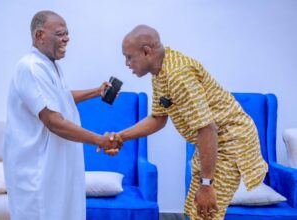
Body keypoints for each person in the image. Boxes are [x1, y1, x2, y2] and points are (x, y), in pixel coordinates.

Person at [107, 25, 268, 219]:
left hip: (230, 142)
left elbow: (208, 129)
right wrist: (121, 136)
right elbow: (158, 119)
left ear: (147, 51)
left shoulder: (178, 75)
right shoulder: (160, 72)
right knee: (194, 209)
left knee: (207, 212)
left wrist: (207, 185)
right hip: (211, 141)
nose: (126, 63)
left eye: (129, 57)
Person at [3, 10, 122, 220]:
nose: (67, 38)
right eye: (60, 34)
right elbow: (53, 121)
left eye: (67, 33)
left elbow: (60, 97)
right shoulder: (31, 67)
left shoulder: (50, 65)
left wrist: (96, 91)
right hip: (37, 171)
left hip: (57, 167)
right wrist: (99, 140)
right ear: (39, 35)